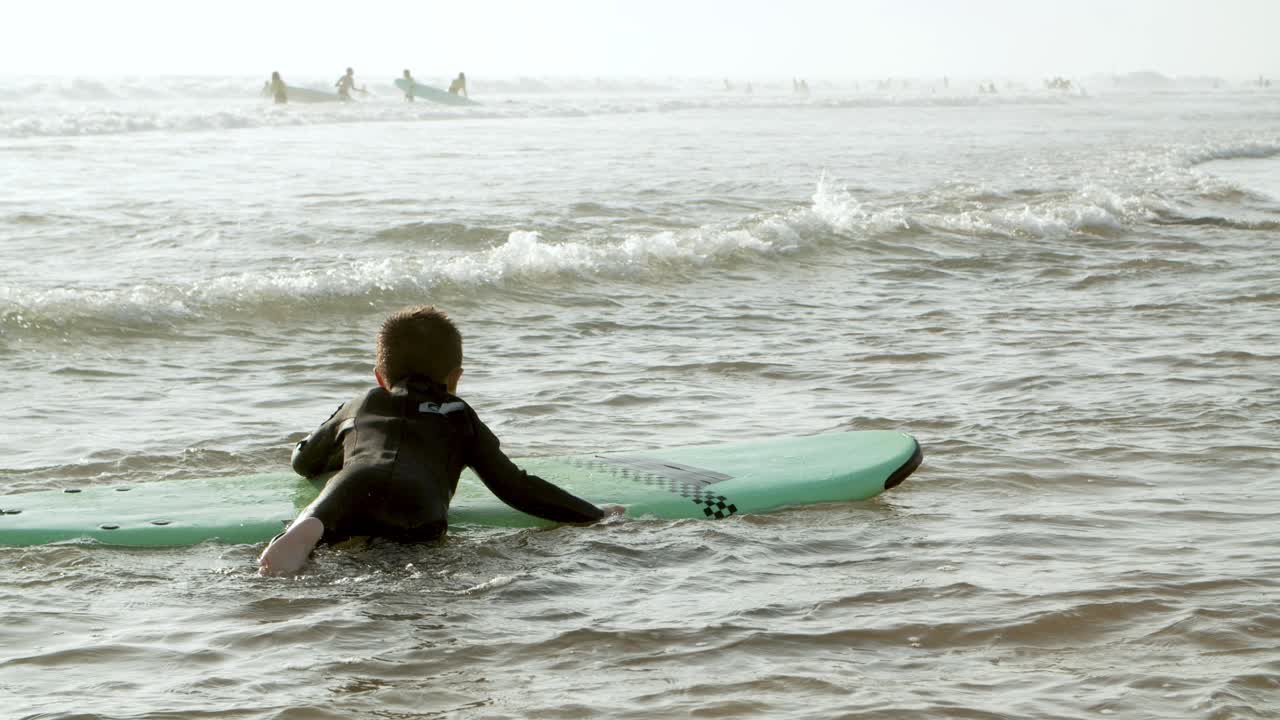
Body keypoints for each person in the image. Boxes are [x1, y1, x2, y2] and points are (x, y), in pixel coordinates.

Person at [258, 305, 622, 575]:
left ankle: (306, 531)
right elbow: (515, 486)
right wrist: (591, 514)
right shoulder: (458, 414)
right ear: (455, 377)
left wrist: (338, 450)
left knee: (328, 523)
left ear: (380, 376)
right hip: (420, 502)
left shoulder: (363, 402)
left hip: (355, 484)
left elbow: (303, 462)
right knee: (414, 566)